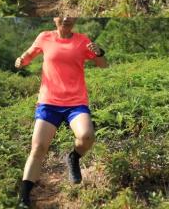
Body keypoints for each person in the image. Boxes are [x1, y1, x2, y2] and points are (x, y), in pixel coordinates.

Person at [15, 17, 108, 207]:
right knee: (38, 148)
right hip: (49, 103)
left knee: (87, 136)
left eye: (70, 15)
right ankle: (24, 197)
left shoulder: (82, 40)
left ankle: (73, 157)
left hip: (76, 102)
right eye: (61, 15)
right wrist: (21, 60)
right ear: (55, 18)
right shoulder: (44, 37)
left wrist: (99, 53)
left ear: (75, 19)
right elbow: (29, 55)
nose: (66, 18)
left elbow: (103, 64)